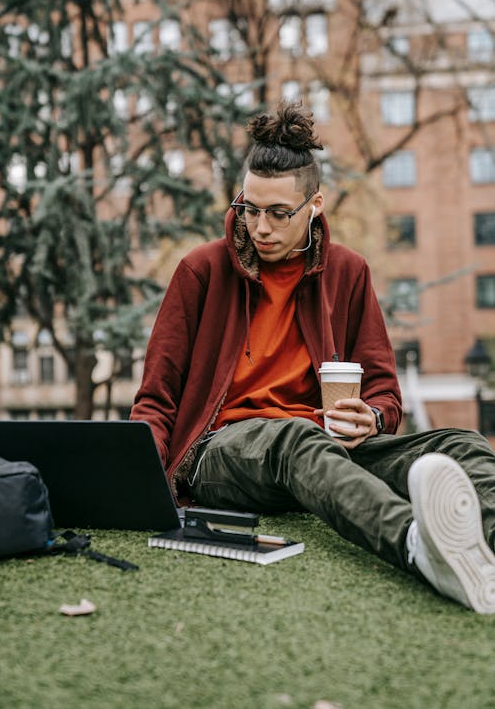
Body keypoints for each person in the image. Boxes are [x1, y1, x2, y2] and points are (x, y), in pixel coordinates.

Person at [131, 101, 495, 614]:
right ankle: (418, 547)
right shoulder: (201, 271)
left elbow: (385, 392)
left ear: (315, 205)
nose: (261, 227)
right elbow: (157, 394)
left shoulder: (348, 272)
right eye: (250, 208)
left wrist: (369, 417)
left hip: (325, 450)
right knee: (294, 437)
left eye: (279, 213)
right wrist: (145, 486)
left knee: (462, 444)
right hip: (219, 454)